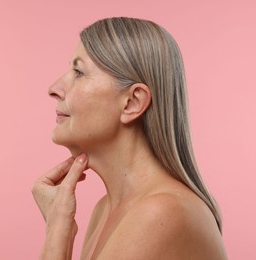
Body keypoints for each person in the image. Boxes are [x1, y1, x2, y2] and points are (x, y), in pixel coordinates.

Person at [32, 17, 227, 259]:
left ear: (132, 102)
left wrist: (57, 231)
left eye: (79, 72)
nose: (54, 88)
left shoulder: (160, 213)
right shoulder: (104, 210)